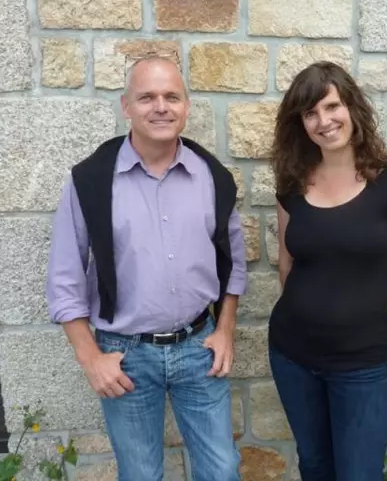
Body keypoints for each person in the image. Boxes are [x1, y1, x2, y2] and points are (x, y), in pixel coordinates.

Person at [45, 54, 246, 481]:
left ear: (186, 106)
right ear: (126, 107)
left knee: (222, 470)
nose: (161, 107)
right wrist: (91, 359)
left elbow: (234, 267)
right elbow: (65, 280)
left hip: (199, 348)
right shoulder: (90, 181)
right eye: (147, 97)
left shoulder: (214, 178)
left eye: (172, 96)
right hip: (126, 356)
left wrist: (225, 328)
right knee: (140, 474)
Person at [269, 61, 387, 481]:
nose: (324, 121)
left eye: (331, 106)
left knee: (359, 472)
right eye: (310, 113)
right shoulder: (292, 182)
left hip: (362, 363)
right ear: (300, 124)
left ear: (352, 107)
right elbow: (288, 263)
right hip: (293, 355)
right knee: (315, 465)